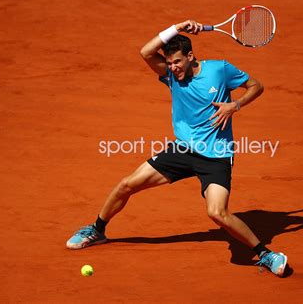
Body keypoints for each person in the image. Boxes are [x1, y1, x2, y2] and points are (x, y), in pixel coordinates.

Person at [66, 20, 288, 277]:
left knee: (217, 213)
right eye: (169, 63)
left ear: (191, 57)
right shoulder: (171, 75)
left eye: (177, 62)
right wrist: (177, 27)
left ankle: (266, 254)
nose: (172, 68)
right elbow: (146, 52)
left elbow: (256, 86)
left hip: (216, 156)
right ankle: (97, 230)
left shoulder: (220, 70)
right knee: (127, 184)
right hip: (182, 150)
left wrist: (234, 105)